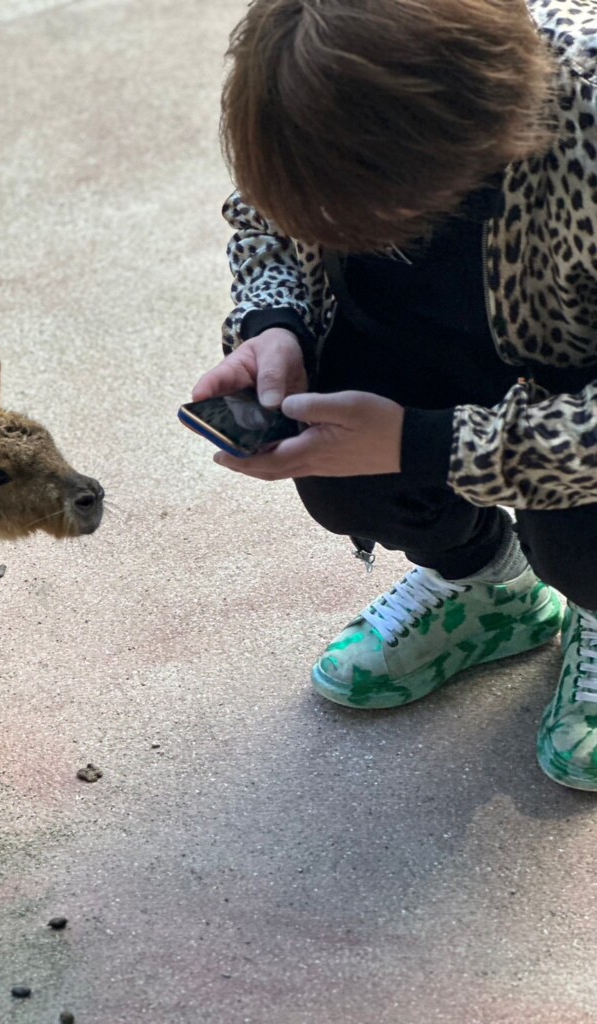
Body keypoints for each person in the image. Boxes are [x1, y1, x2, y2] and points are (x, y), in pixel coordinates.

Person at [192, 0, 597, 790]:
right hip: (430, 338)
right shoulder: (317, 85)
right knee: (343, 473)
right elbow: (267, 216)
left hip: (576, 382)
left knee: (587, 551)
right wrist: (276, 324)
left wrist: (424, 443)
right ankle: (487, 587)